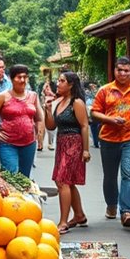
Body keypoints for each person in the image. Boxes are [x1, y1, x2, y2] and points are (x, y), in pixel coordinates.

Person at [91, 57, 130, 228]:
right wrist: (110, 119)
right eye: (120, 70)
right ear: (114, 71)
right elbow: (94, 113)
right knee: (110, 176)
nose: (123, 73)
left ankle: (126, 211)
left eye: (126, 70)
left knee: (128, 173)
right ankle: (111, 205)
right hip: (108, 138)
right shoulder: (105, 90)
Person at [43, 71, 90, 234]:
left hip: (74, 143)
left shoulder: (77, 102)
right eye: (58, 80)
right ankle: (79, 215)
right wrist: (48, 110)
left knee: (62, 181)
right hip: (61, 142)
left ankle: (63, 221)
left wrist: (85, 149)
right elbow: (51, 127)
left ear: (70, 84)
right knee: (66, 182)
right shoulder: (59, 101)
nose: (58, 83)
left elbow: (84, 125)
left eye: (62, 80)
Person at [0, 64, 43, 177]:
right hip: (8, 143)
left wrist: (39, 131)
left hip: (29, 144)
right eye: (19, 77)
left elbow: (39, 117)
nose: (22, 80)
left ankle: (23, 195)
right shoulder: (3, 97)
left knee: (24, 177)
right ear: (11, 78)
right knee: (11, 175)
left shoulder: (33, 96)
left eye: (25, 77)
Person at [85, 83, 101, 149]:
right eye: (92, 86)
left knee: (96, 127)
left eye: (93, 86)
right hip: (94, 112)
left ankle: (97, 142)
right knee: (95, 127)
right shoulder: (98, 91)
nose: (93, 87)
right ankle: (97, 142)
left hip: (96, 112)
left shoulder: (88, 93)